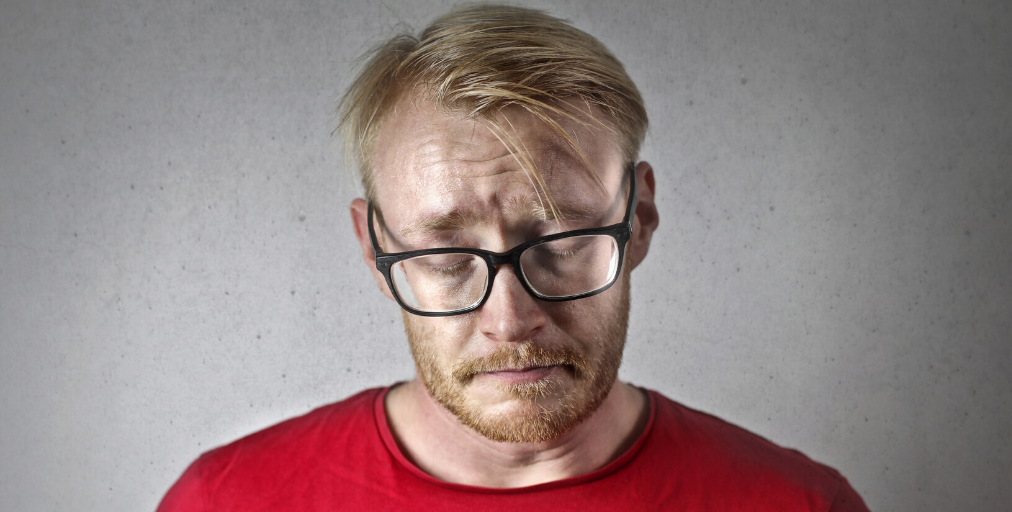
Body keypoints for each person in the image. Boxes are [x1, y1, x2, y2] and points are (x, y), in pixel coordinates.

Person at [157, 4, 869, 510]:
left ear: (640, 218)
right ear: (376, 250)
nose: (511, 317)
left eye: (560, 240)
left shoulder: (799, 504)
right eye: (444, 251)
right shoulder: (224, 502)